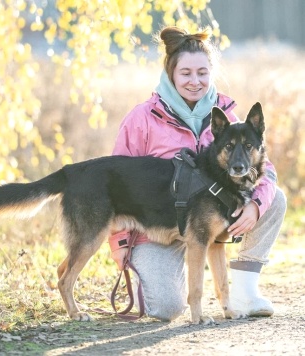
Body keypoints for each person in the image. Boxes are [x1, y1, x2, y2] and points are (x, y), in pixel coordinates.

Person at [108, 26, 287, 322]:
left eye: (202, 73)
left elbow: (265, 171)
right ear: (171, 74)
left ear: (211, 73)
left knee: (274, 198)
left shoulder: (226, 116)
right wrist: (121, 246)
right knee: (166, 308)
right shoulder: (142, 118)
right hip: (156, 228)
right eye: (186, 73)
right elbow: (115, 181)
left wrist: (255, 207)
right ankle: (148, 276)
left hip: (210, 218)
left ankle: (242, 291)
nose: (195, 82)